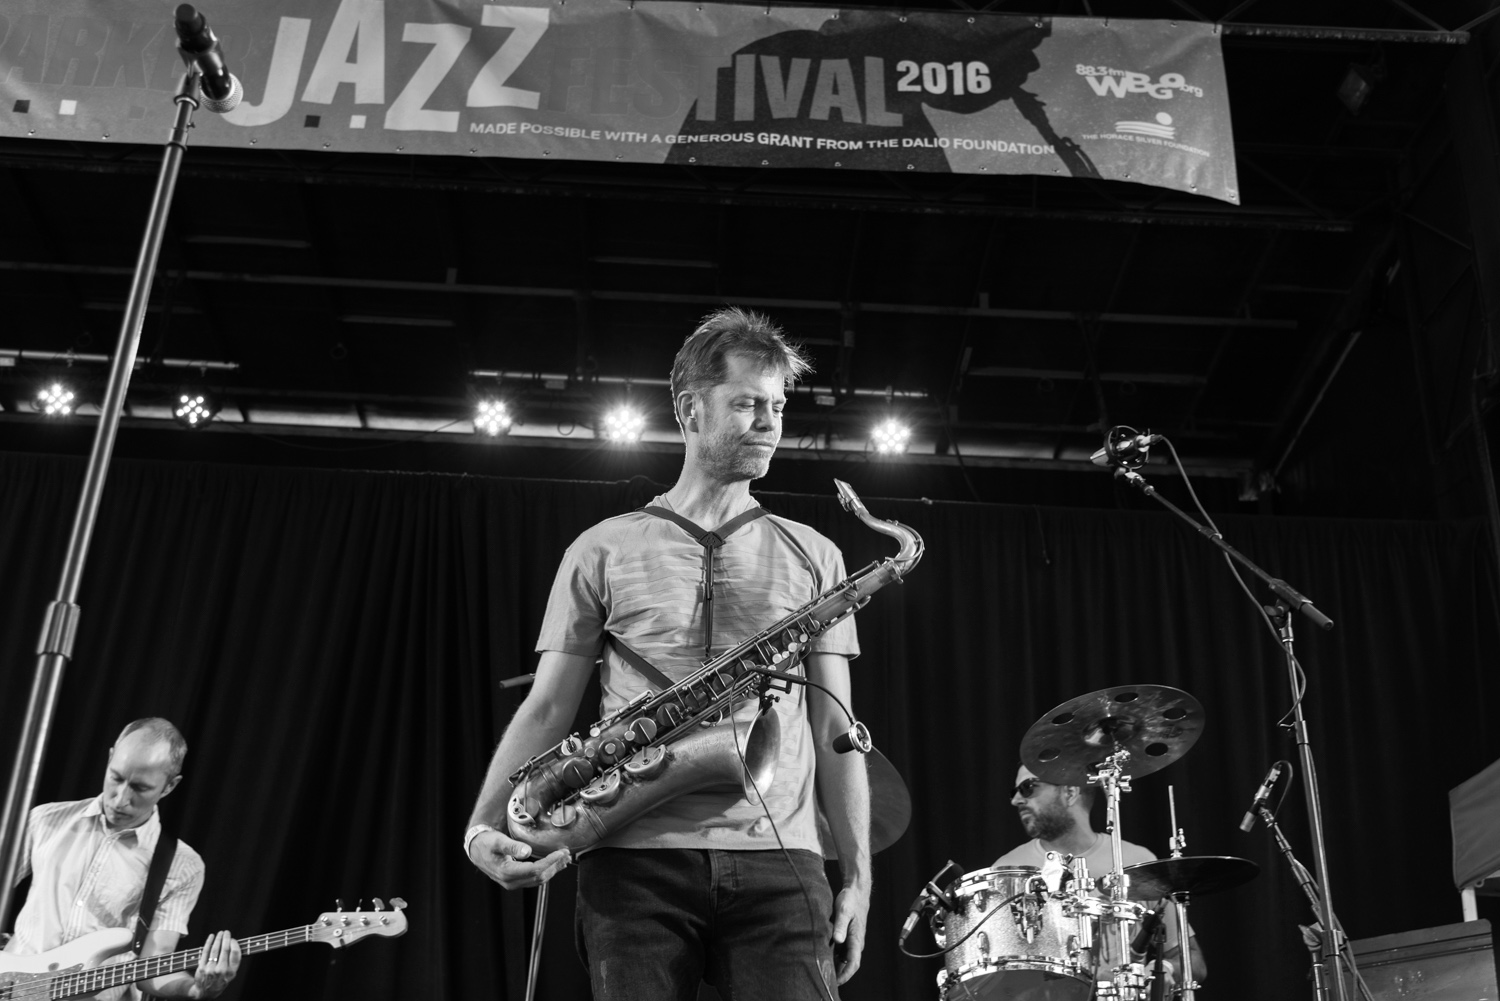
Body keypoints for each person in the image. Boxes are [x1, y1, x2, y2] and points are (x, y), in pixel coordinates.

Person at [465, 307, 869, 1000]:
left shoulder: (817, 554)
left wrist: (857, 876)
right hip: (630, 862)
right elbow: (549, 706)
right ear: (688, 408)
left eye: (776, 405)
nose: (770, 421)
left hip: (782, 859)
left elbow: (839, 731)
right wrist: (481, 825)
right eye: (747, 403)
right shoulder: (602, 547)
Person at [4, 718, 242, 1000]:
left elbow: (153, 968)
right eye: (116, 777)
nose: (120, 799)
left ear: (169, 786)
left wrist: (199, 989)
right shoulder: (45, 820)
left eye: (140, 788)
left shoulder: (182, 865)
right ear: (109, 759)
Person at [993, 764, 1208, 988]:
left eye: (1028, 788)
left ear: (1070, 792)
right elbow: (991, 981)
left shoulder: (1135, 860)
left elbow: (1194, 961)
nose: (1016, 800)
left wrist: (1165, 970)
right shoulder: (1007, 871)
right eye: (1014, 791)